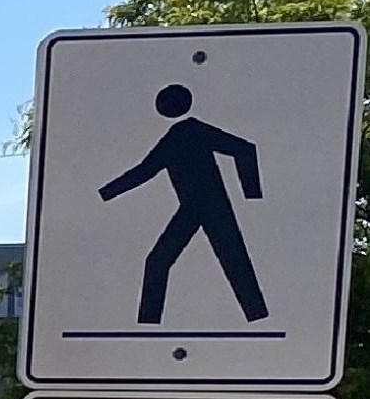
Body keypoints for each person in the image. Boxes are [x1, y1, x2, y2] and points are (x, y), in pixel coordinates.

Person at [96, 82, 269, 324]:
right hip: (192, 208)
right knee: (158, 261)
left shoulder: (192, 130)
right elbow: (146, 171)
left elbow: (244, 149)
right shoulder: (175, 136)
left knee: (234, 261)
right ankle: (148, 325)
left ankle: (259, 318)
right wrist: (106, 193)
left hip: (214, 206)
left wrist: (252, 195)